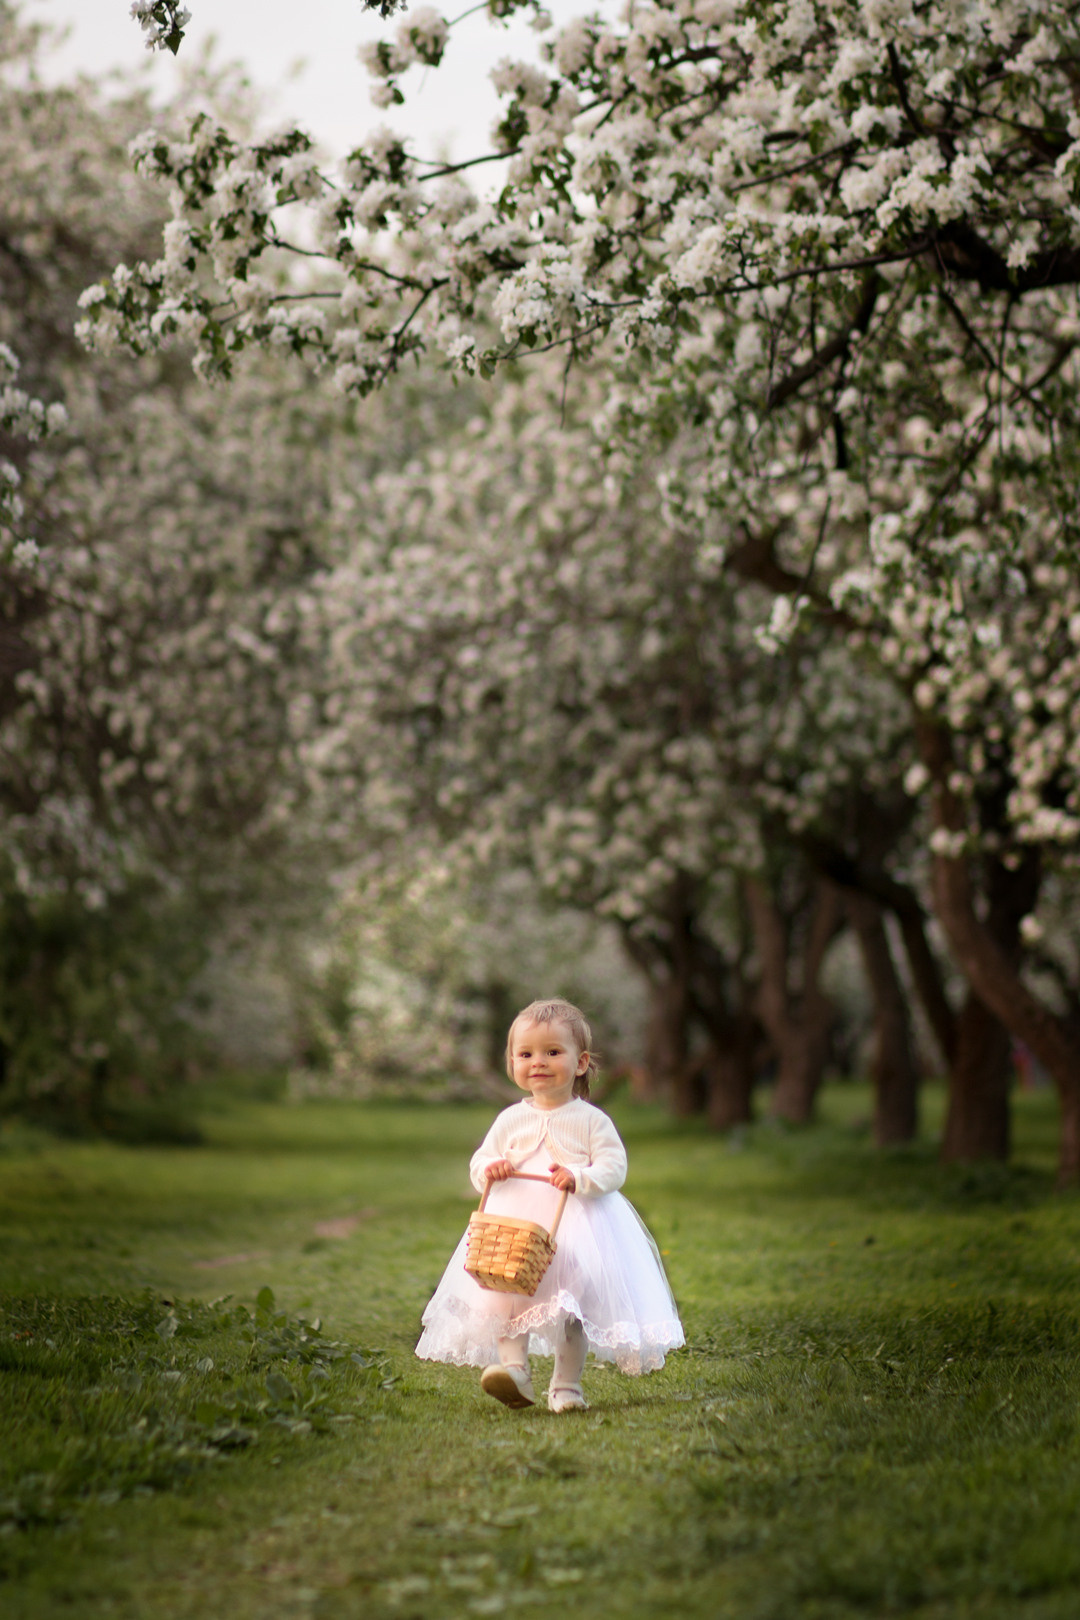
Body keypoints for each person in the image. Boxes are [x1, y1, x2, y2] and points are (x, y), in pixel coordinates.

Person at [415, 997, 684, 1412]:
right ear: (512, 1063)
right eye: (525, 1054)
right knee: (505, 1295)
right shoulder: (510, 1119)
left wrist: (581, 1177)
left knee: (570, 1308)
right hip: (514, 1228)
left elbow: (614, 1167)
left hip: (577, 1223)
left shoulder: (591, 1120)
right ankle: (514, 1371)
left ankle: (566, 1386)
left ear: (580, 1063)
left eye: (552, 1052)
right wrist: (492, 1167)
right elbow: (480, 1162)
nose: (538, 1062)